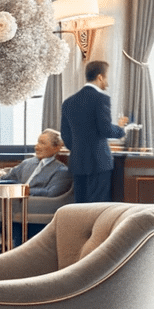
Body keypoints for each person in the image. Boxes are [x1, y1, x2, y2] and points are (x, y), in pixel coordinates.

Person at [60, 60, 128, 204]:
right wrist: (121, 130)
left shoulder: (68, 102)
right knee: (99, 207)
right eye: (107, 77)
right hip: (99, 162)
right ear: (100, 77)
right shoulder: (101, 99)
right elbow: (106, 129)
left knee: (80, 207)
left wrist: (79, 149)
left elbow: (66, 136)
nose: (108, 83)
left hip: (77, 162)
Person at [0, 129, 71, 198]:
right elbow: (6, 178)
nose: (36, 147)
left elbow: (51, 193)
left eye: (42, 143)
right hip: (13, 199)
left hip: (35, 204)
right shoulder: (27, 163)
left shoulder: (61, 171)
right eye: (38, 142)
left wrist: (22, 190)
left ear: (56, 148)